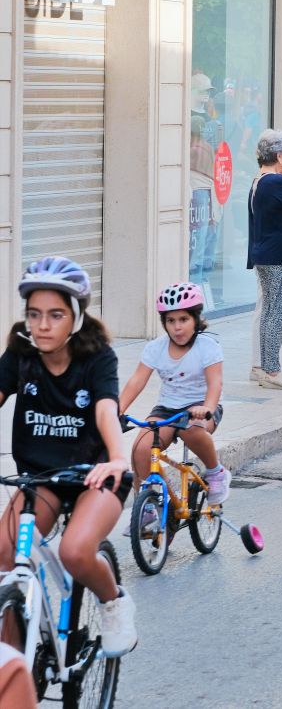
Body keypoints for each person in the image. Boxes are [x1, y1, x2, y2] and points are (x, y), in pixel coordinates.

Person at [0, 257, 137, 657]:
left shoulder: (97, 358)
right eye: (34, 314)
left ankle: (113, 602)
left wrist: (116, 457)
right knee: (5, 555)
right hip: (41, 478)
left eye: (55, 314)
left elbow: (105, 409)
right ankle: (12, 671)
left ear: (76, 317)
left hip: (96, 474)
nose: (42, 325)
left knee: (75, 551)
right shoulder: (20, 354)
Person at [119, 282, 230, 515]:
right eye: (171, 321)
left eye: (183, 320)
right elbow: (137, 381)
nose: (177, 327)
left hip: (200, 406)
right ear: (164, 323)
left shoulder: (207, 346)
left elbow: (215, 383)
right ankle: (150, 506)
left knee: (192, 429)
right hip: (167, 408)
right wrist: (116, 409)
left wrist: (207, 408)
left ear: (195, 319)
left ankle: (216, 471)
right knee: (140, 448)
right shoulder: (155, 348)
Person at [247, 129, 282, 390]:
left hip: (267, 253)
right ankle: (272, 370)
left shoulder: (260, 180)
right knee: (279, 311)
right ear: (280, 155)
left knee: (270, 310)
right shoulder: (278, 183)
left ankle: (263, 367)